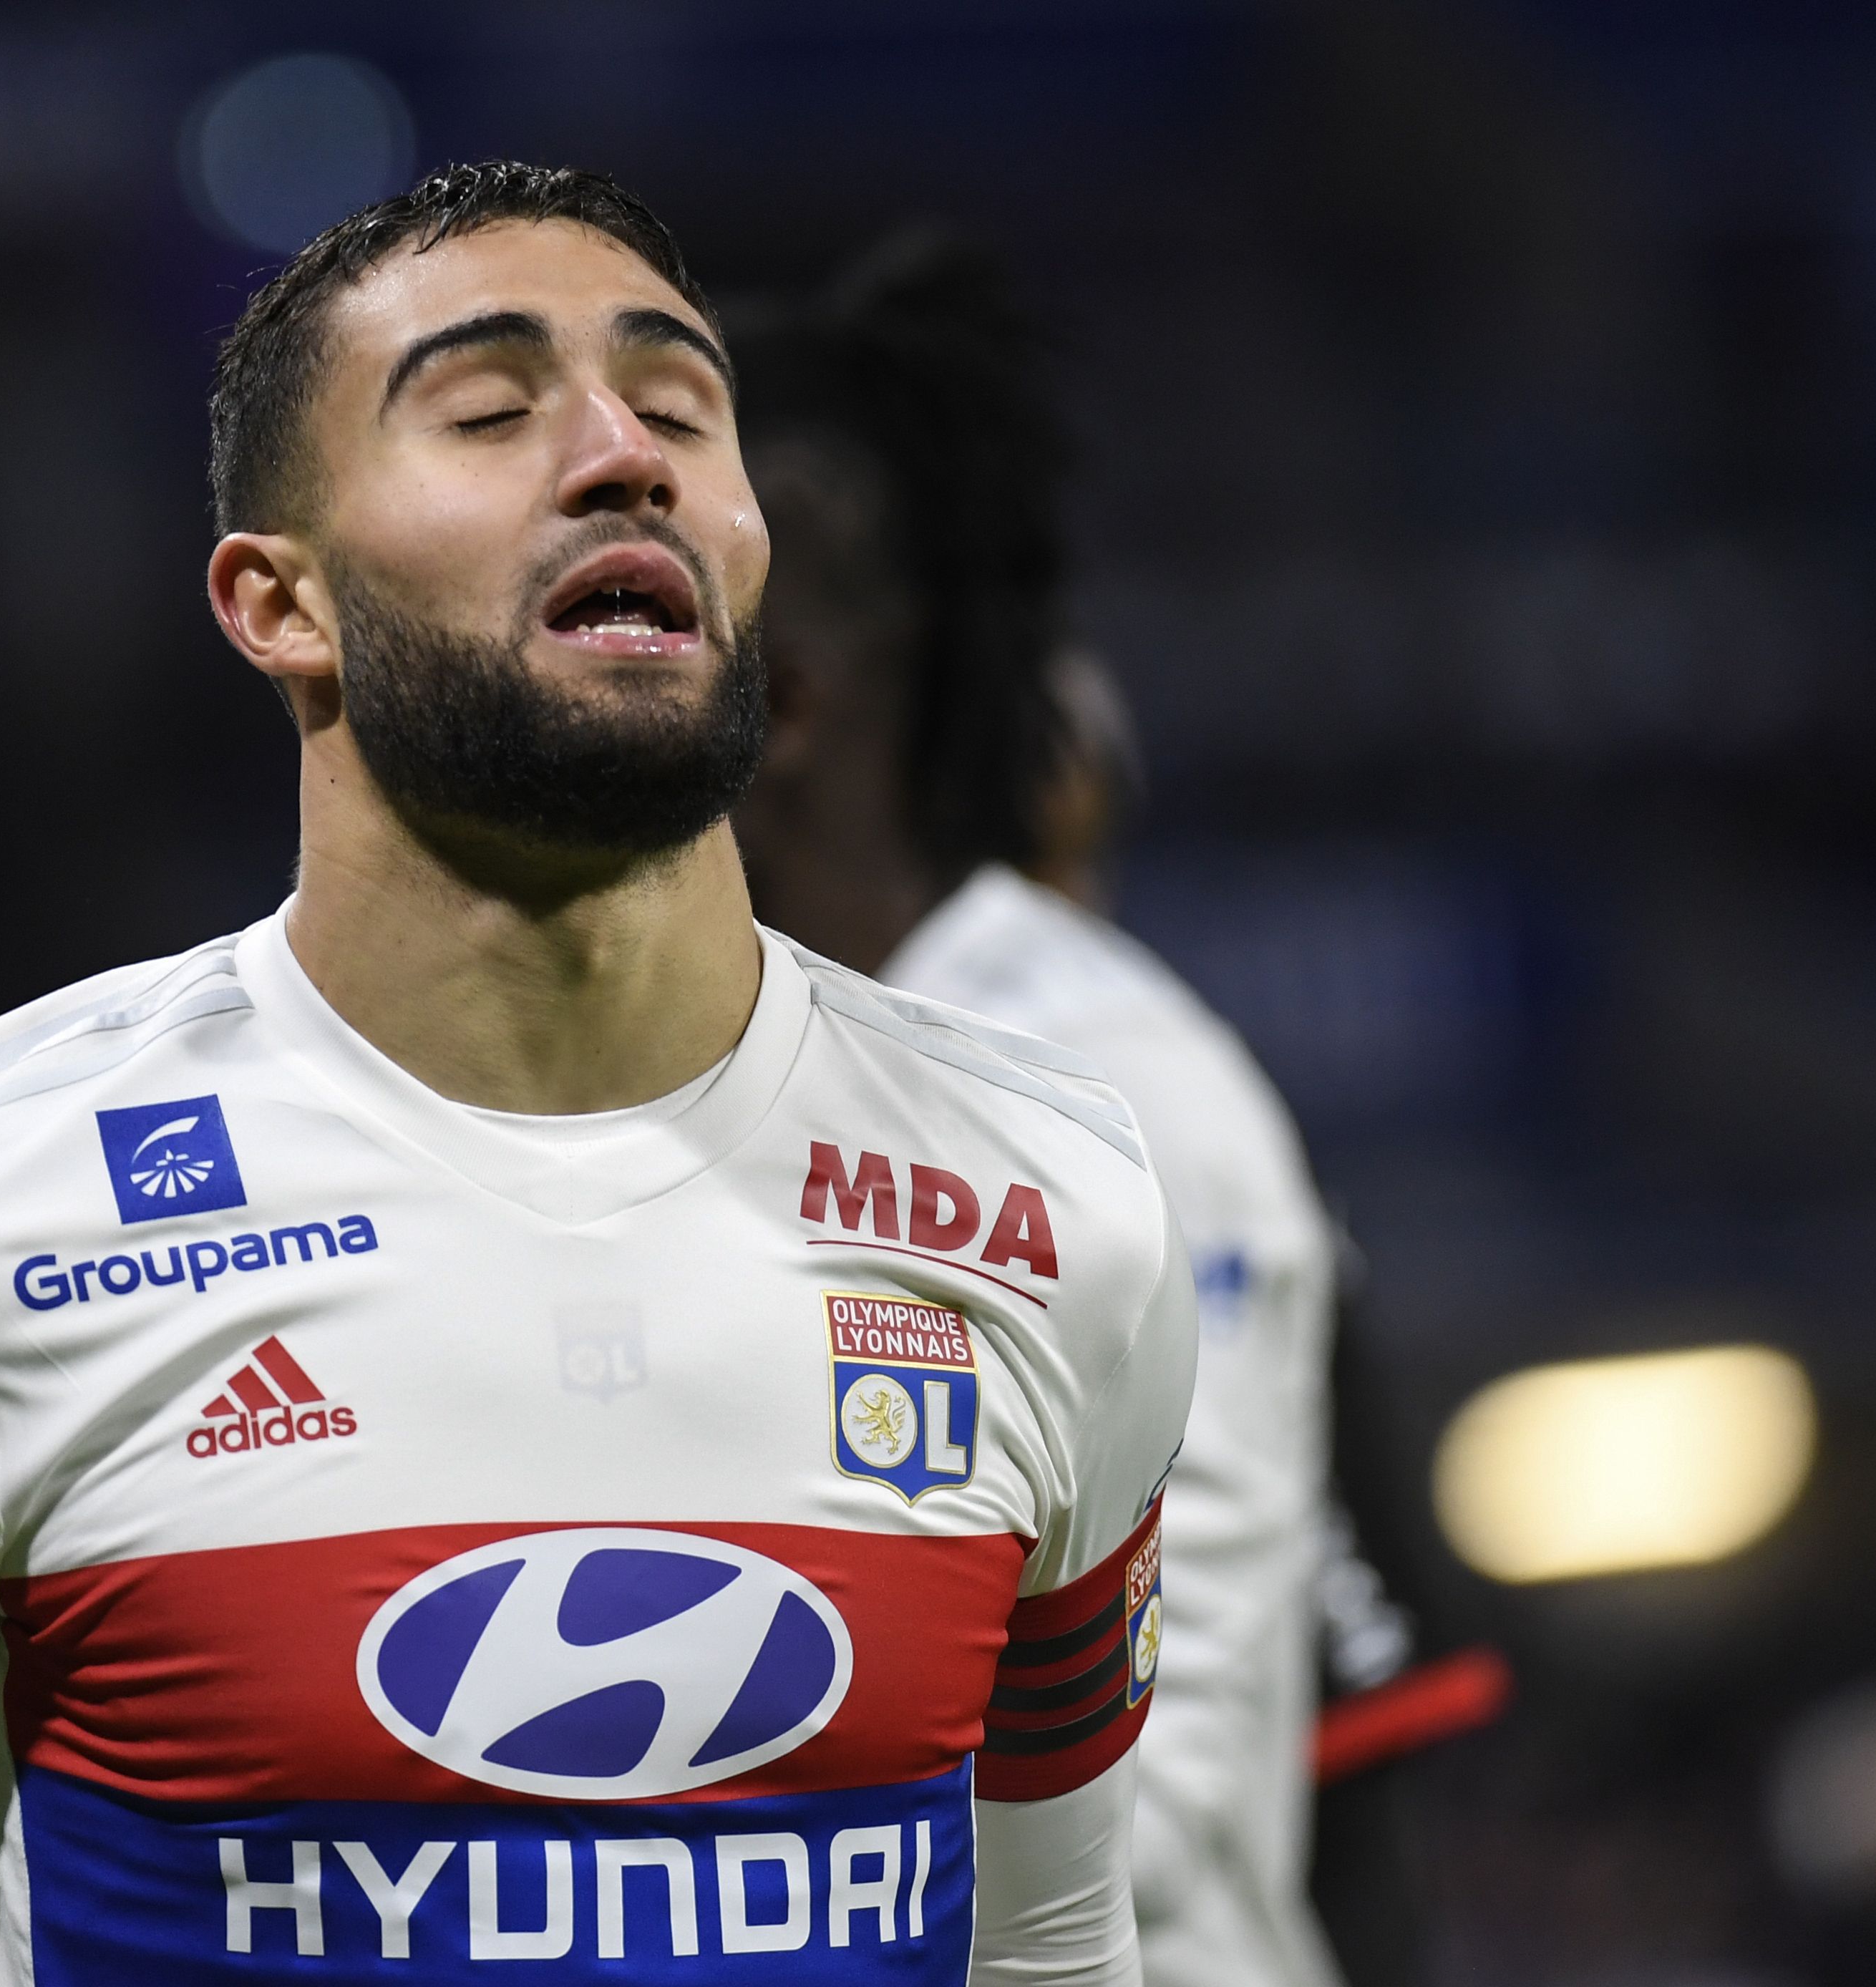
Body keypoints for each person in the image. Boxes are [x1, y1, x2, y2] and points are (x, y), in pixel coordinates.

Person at [0, 162, 1195, 1987]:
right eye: (488, 409)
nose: (620, 452)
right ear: (277, 604)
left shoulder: (1050, 1206)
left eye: (683, 408)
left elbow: (1045, 1949)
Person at [732, 238, 1346, 1987]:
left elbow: (1156, 1784)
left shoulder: (1105, 1096)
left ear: (784, 700)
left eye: (638, 616)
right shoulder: (718, 1081)